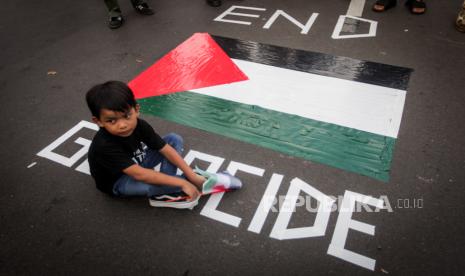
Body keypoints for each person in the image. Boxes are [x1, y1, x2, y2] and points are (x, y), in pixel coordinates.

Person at [86, 81, 205, 207]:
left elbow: (165, 148)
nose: (122, 125)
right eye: (111, 120)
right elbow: (140, 174)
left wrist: (191, 176)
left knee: (173, 139)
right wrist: (182, 183)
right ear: (98, 121)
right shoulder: (104, 145)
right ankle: (163, 191)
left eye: (127, 116)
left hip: (138, 164)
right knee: (176, 183)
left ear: (136, 110)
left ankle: (167, 183)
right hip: (119, 181)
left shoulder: (140, 125)